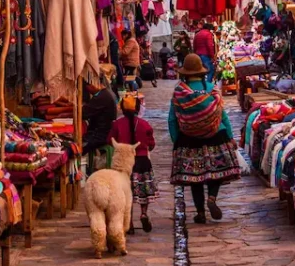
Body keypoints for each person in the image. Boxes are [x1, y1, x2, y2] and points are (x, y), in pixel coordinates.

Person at [168, 54, 240, 224]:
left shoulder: (179, 93)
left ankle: (200, 212)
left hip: (189, 139)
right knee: (215, 174)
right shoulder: (211, 89)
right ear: (201, 72)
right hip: (216, 136)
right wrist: (230, 136)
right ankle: (212, 198)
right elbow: (222, 115)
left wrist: (177, 141)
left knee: (195, 178)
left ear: (185, 73)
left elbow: (172, 119)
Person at [108, 95, 158, 233]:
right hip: (142, 161)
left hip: (124, 165)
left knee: (125, 193)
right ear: (137, 108)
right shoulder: (144, 124)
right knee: (143, 192)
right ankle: (143, 213)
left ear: (122, 109)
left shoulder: (117, 124)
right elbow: (151, 144)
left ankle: (128, 222)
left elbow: (109, 140)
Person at [82, 78, 117, 156]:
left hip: (100, 135)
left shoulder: (101, 96)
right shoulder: (105, 93)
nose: (88, 90)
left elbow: (84, 113)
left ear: (92, 84)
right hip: (103, 132)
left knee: (76, 148)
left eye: (87, 87)